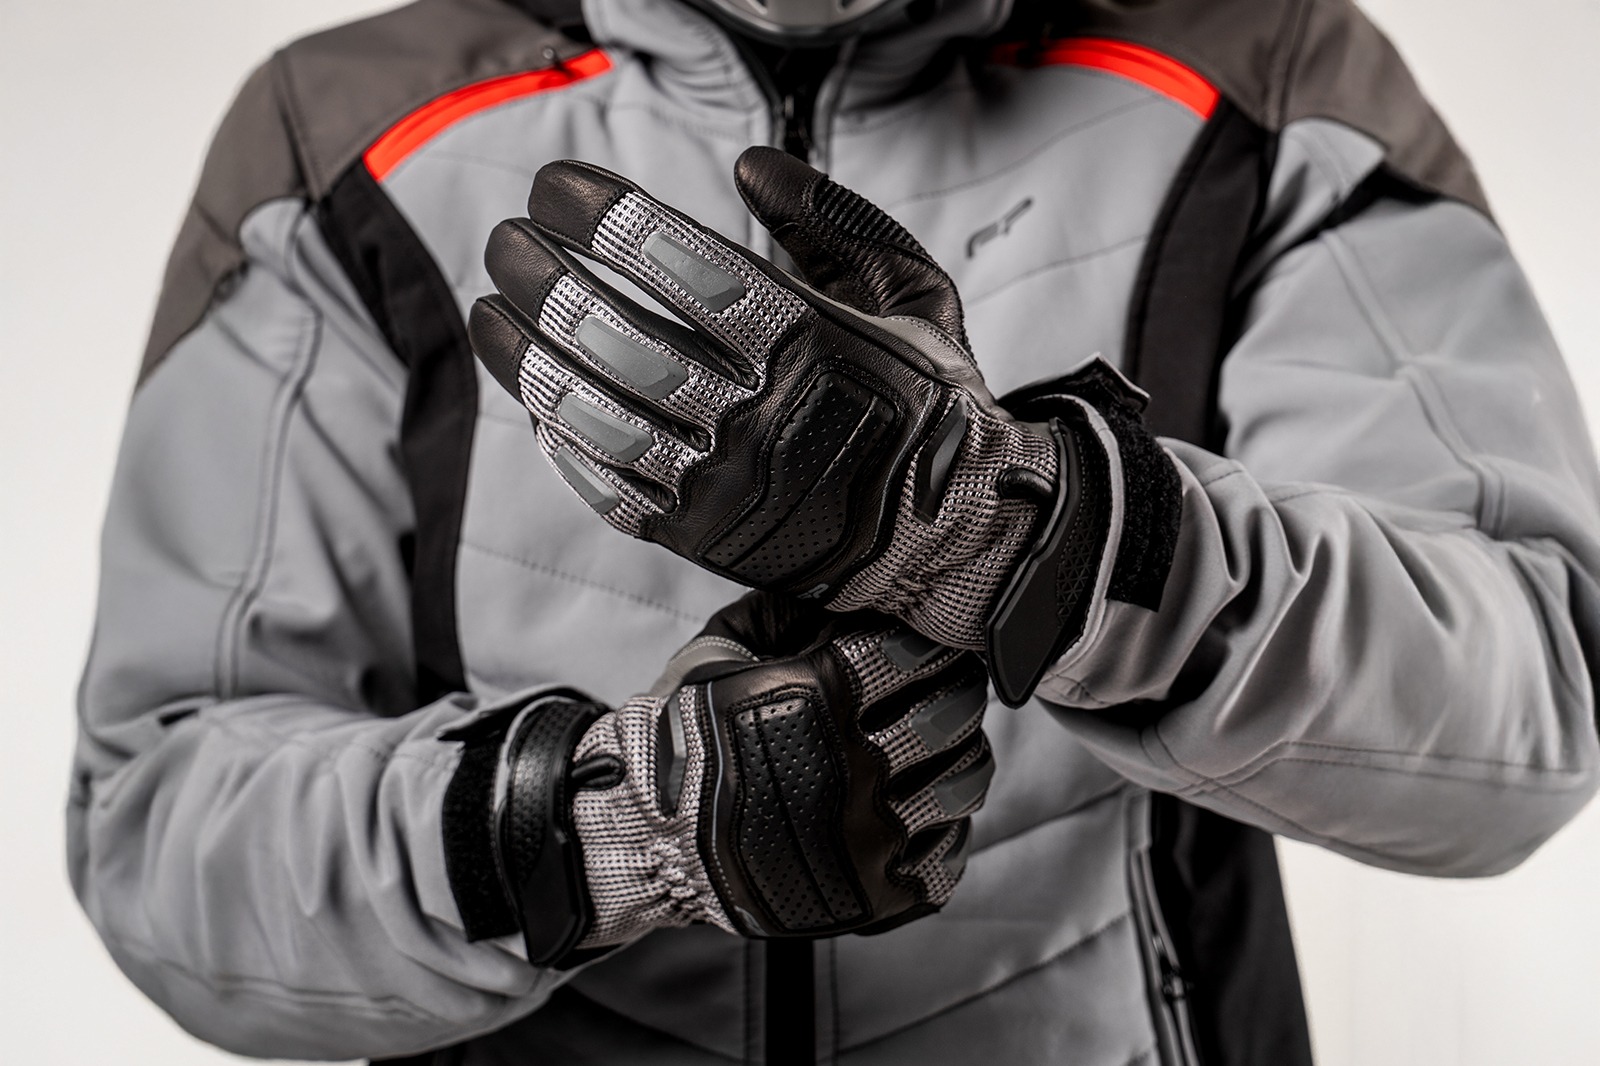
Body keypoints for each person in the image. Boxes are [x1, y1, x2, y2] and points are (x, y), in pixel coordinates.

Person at [68, 0, 1600, 1063]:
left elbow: (1530, 691)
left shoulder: (1265, 74)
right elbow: (164, 819)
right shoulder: (339, 131)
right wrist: (610, 828)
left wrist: (1017, 529)